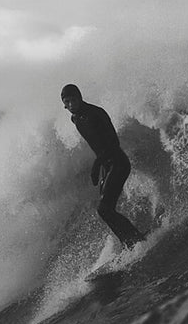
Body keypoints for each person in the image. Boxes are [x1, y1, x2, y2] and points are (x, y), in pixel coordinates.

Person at [61, 84, 146, 248]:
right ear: (64, 104)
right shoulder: (76, 118)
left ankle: (135, 240)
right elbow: (99, 145)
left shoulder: (95, 113)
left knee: (104, 209)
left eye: (73, 100)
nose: (71, 105)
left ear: (80, 98)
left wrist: (96, 164)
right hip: (108, 166)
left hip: (119, 163)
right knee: (106, 211)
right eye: (67, 102)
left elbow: (114, 143)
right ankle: (130, 242)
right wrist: (102, 167)